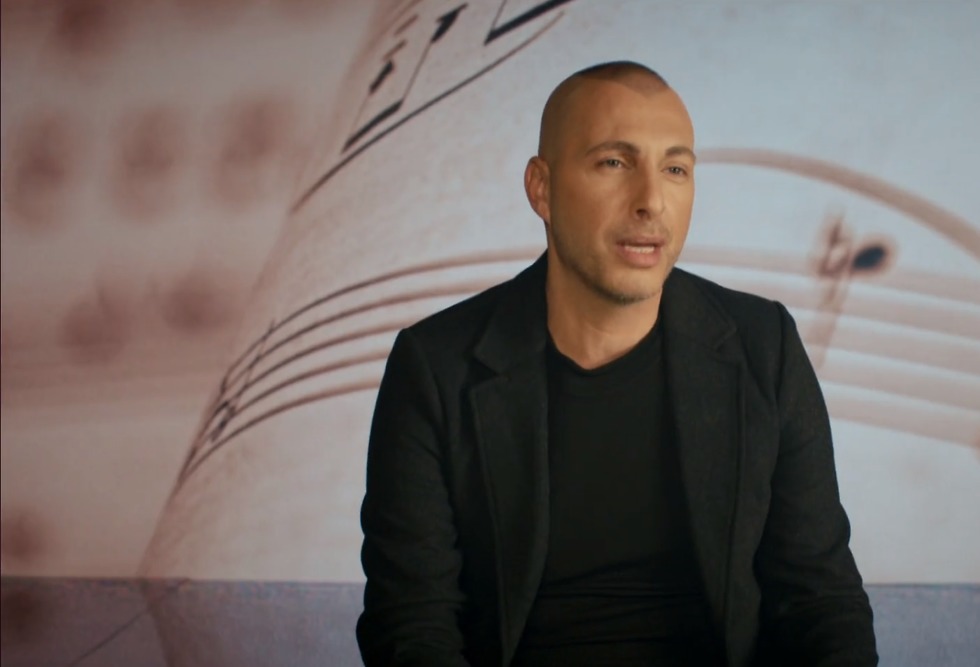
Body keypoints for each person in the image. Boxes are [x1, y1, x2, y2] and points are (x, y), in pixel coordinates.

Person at [356, 61, 877, 667]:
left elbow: (820, 598)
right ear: (541, 189)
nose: (651, 201)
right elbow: (412, 623)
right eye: (614, 162)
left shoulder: (766, 347)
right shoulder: (435, 367)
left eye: (675, 169)